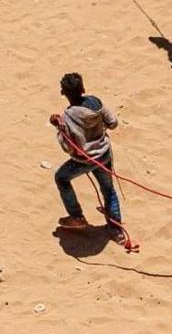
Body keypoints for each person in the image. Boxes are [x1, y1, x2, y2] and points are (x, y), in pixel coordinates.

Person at [50, 72, 125, 240]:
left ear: (64, 93)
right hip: (104, 155)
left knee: (61, 178)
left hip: (83, 160)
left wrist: (59, 126)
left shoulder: (68, 116)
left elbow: (67, 147)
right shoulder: (96, 102)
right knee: (108, 190)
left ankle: (76, 216)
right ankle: (117, 230)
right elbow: (113, 123)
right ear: (83, 88)